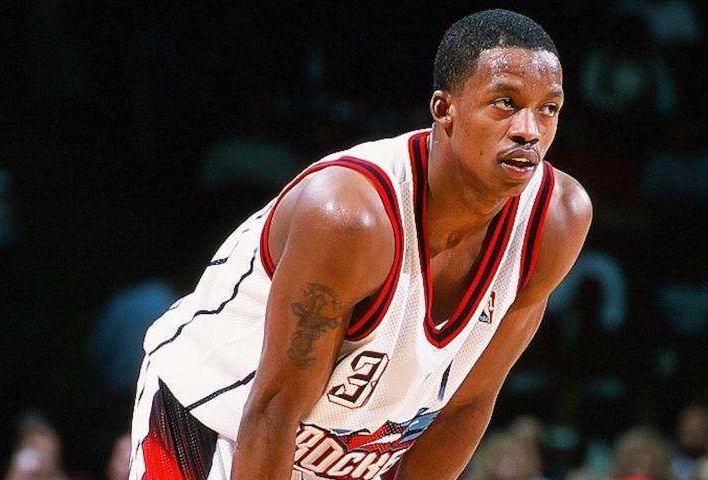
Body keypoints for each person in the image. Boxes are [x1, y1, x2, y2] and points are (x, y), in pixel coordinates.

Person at [130, 9, 592, 480]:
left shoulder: (556, 219)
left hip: (353, 450)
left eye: (548, 108)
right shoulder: (350, 218)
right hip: (216, 418)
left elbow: (467, 404)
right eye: (505, 103)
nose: (529, 130)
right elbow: (272, 410)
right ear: (444, 109)